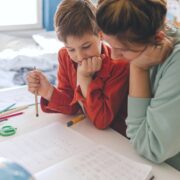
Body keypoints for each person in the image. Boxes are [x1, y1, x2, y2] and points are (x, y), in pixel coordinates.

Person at [96, 0, 180, 170]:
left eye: (123, 49)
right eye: (109, 45)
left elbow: (151, 147)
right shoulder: (145, 44)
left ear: (158, 38)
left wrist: (138, 68)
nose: (114, 56)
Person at [27, 0, 129, 135]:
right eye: (71, 49)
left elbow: (102, 121)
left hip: (116, 138)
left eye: (86, 46)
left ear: (100, 35)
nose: (80, 56)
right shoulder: (65, 56)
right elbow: (72, 105)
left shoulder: (118, 66)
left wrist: (84, 78)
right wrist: (48, 92)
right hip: (86, 133)